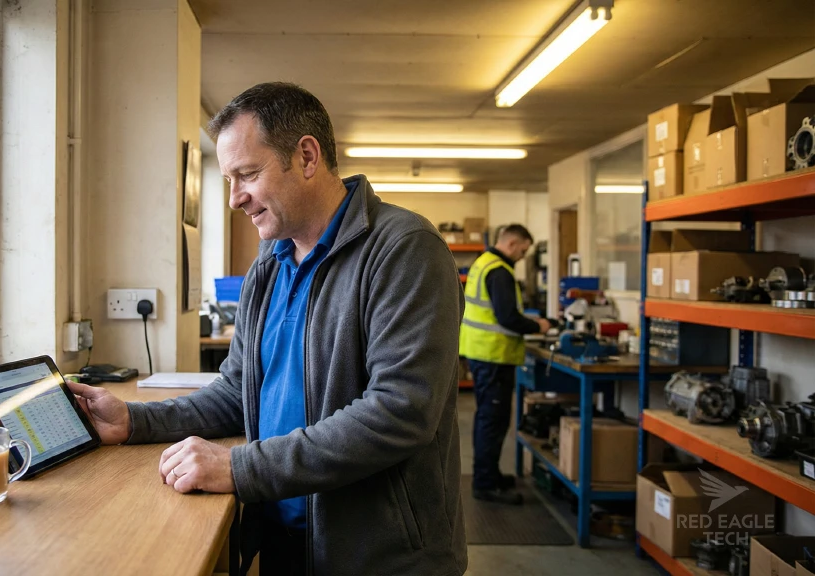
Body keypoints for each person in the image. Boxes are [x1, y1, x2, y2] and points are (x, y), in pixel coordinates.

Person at [67, 82, 467, 576]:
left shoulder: (404, 249)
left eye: (247, 174)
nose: (235, 198)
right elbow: (239, 390)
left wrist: (238, 467)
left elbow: (400, 412)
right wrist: (134, 420)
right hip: (285, 533)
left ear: (305, 156)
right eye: (228, 180)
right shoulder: (270, 264)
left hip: (376, 554)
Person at [459, 224, 552, 505]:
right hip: (493, 355)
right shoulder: (499, 270)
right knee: (492, 420)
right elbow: (507, 317)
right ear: (512, 244)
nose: (523, 256)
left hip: (482, 353)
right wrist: (540, 325)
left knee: (490, 419)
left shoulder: (483, 263)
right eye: (523, 250)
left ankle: (490, 475)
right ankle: (485, 483)